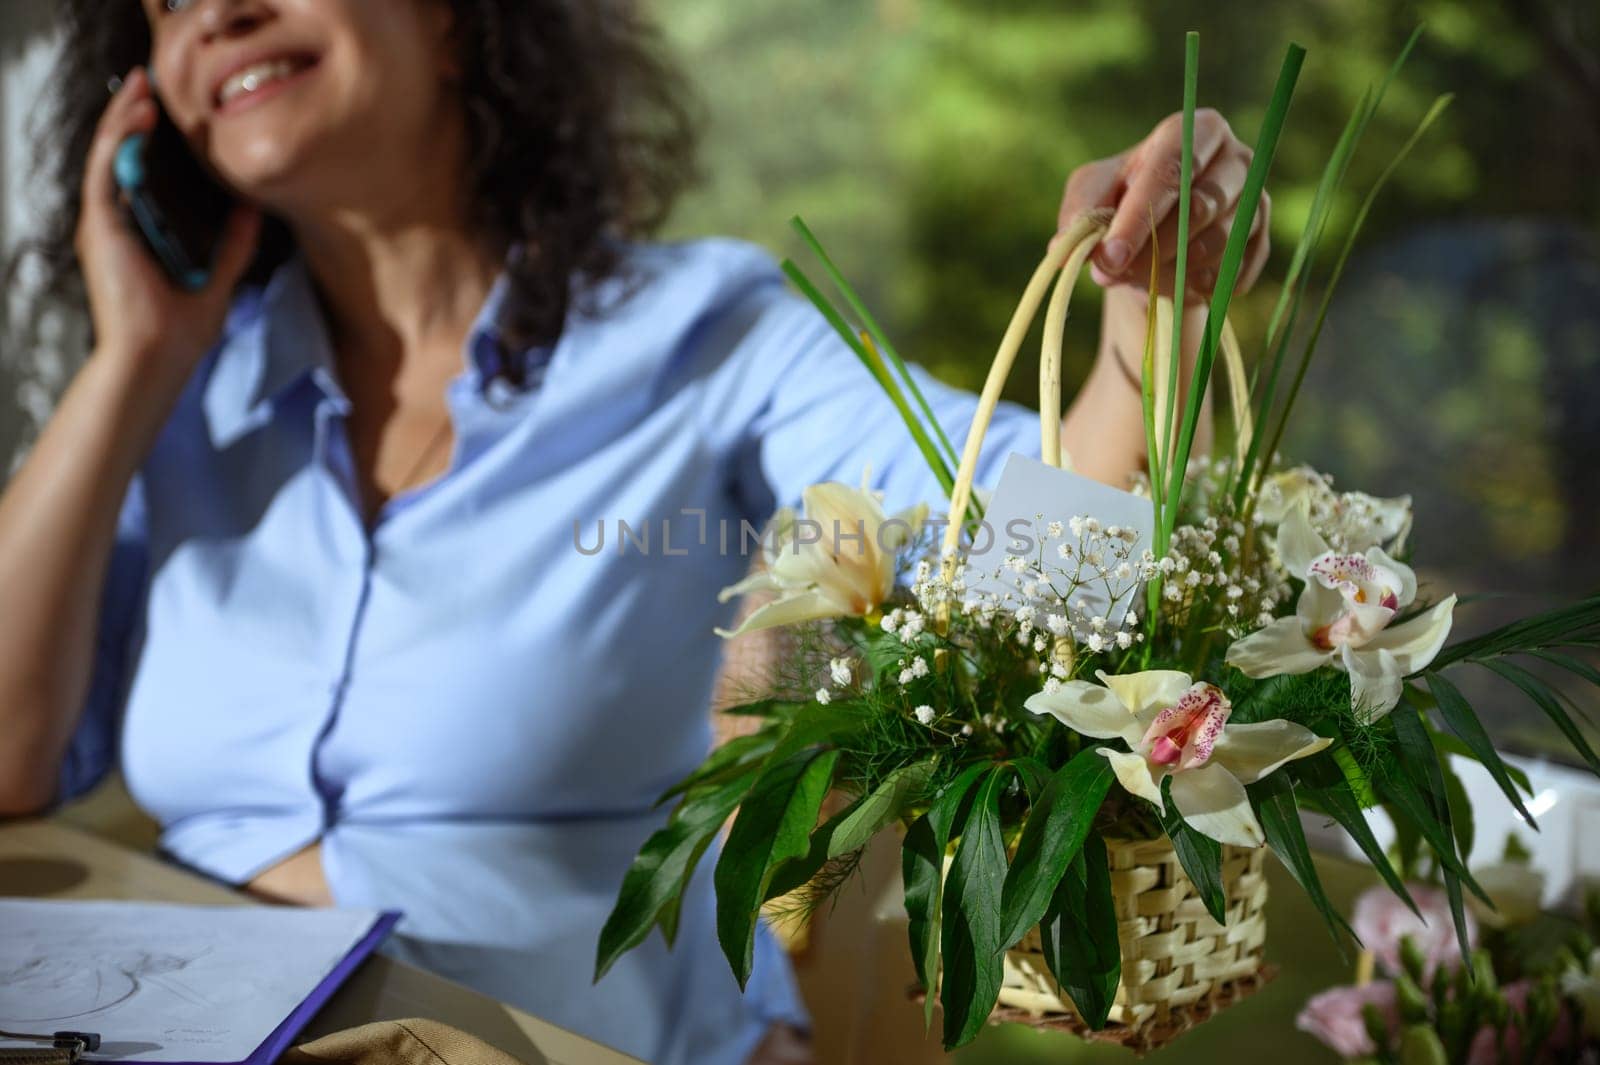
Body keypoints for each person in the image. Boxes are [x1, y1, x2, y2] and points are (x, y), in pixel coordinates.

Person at [0, 2, 1269, 1063]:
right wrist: (130, 362)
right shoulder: (181, 399)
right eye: (163, 0)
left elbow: (1040, 550)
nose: (214, 11)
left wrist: (1148, 321)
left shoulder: (708, 335)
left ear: (454, 21)